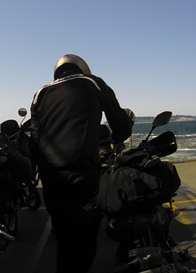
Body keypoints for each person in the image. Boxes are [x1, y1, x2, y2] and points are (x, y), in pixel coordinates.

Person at [29, 54, 134, 273]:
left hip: (50, 177)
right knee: (85, 239)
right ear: (82, 68)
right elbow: (120, 124)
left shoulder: (40, 94)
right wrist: (118, 136)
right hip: (82, 173)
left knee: (64, 237)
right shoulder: (93, 82)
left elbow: (34, 140)